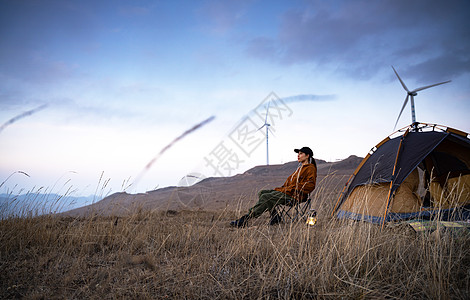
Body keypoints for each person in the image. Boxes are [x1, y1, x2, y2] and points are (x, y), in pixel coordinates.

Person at [230, 146, 317, 227]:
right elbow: (288, 184)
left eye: (301, 154)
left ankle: (246, 219)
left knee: (266, 197)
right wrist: (284, 189)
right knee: (262, 192)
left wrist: (293, 189)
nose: (298, 155)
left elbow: (310, 185)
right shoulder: (299, 168)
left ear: (307, 156)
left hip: (295, 196)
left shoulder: (310, 168)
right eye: (298, 154)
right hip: (287, 192)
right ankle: (275, 216)